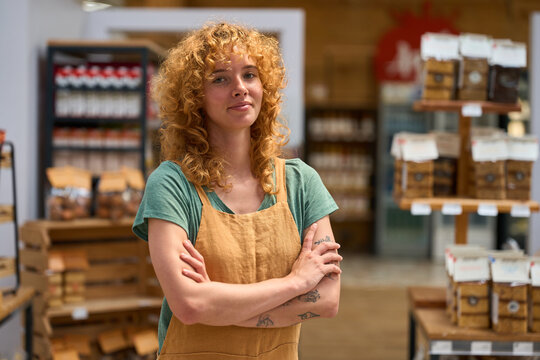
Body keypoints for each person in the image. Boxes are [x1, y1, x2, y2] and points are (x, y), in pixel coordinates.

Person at [133, 22, 342, 360]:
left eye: (249, 75)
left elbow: (327, 301)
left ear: (265, 86)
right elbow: (188, 305)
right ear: (193, 97)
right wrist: (295, 283)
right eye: (219, 79)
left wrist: (219, 307)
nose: (240, 88)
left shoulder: (301, 183)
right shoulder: (172, 185)